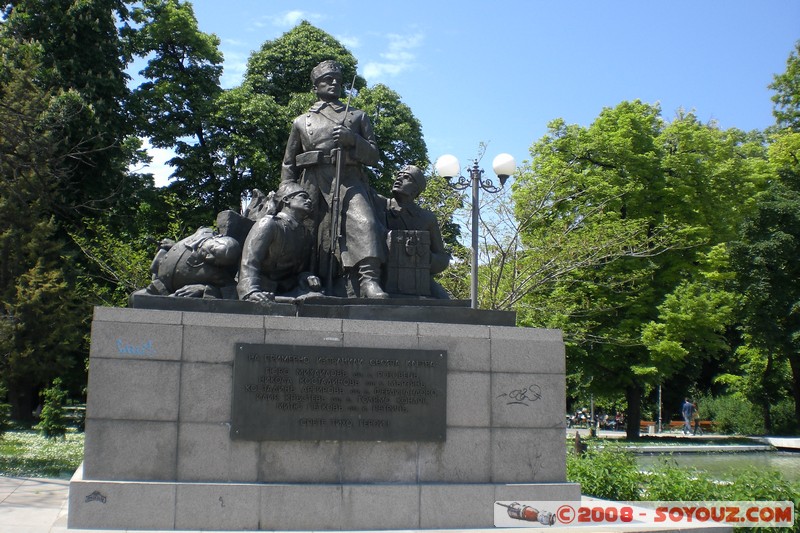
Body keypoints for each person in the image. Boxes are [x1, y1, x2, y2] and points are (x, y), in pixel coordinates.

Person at [281, 59, 387, 298]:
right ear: (315, 86)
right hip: (311, 180)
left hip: (348, 177)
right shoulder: (301, 121)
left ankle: (369, 280)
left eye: (337, 79)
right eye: (327, 79)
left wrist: (353, 140)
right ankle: (297, 277)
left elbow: (373, 156)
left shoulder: (357, 116)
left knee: (366, 222)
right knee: (303, 231)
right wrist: (287, 190)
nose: (334, 82)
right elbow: (289, 162)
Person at [237, 182, 321, 302]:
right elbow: (250, 260)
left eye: (309, 198)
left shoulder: (306, 234)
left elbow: (297, 271)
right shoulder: (269, 224)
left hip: (288, 290)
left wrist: (305, 276)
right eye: (303, 196)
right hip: (261, 289)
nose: (309, 201)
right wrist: (250, 291)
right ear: (286, 199)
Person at [378, 165, 451, 298]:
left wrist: (426, 258)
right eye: (398, 176)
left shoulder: (427, 218)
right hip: (383, 272)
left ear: (416, 189)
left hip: (417, 275)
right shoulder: (380, 204)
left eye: (406, 178)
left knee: (446, 303)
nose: (399, 179)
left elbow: (442, 257)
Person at [145, 227, 240, 299]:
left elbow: (232, 291)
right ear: (218, 237)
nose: (208, 257)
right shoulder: (203, 232)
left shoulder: (215, 273)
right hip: (156, 285)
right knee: (135, 299)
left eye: (215, 261)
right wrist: (175, 246)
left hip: (171, 295)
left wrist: (203, 289)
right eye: (212, 250)